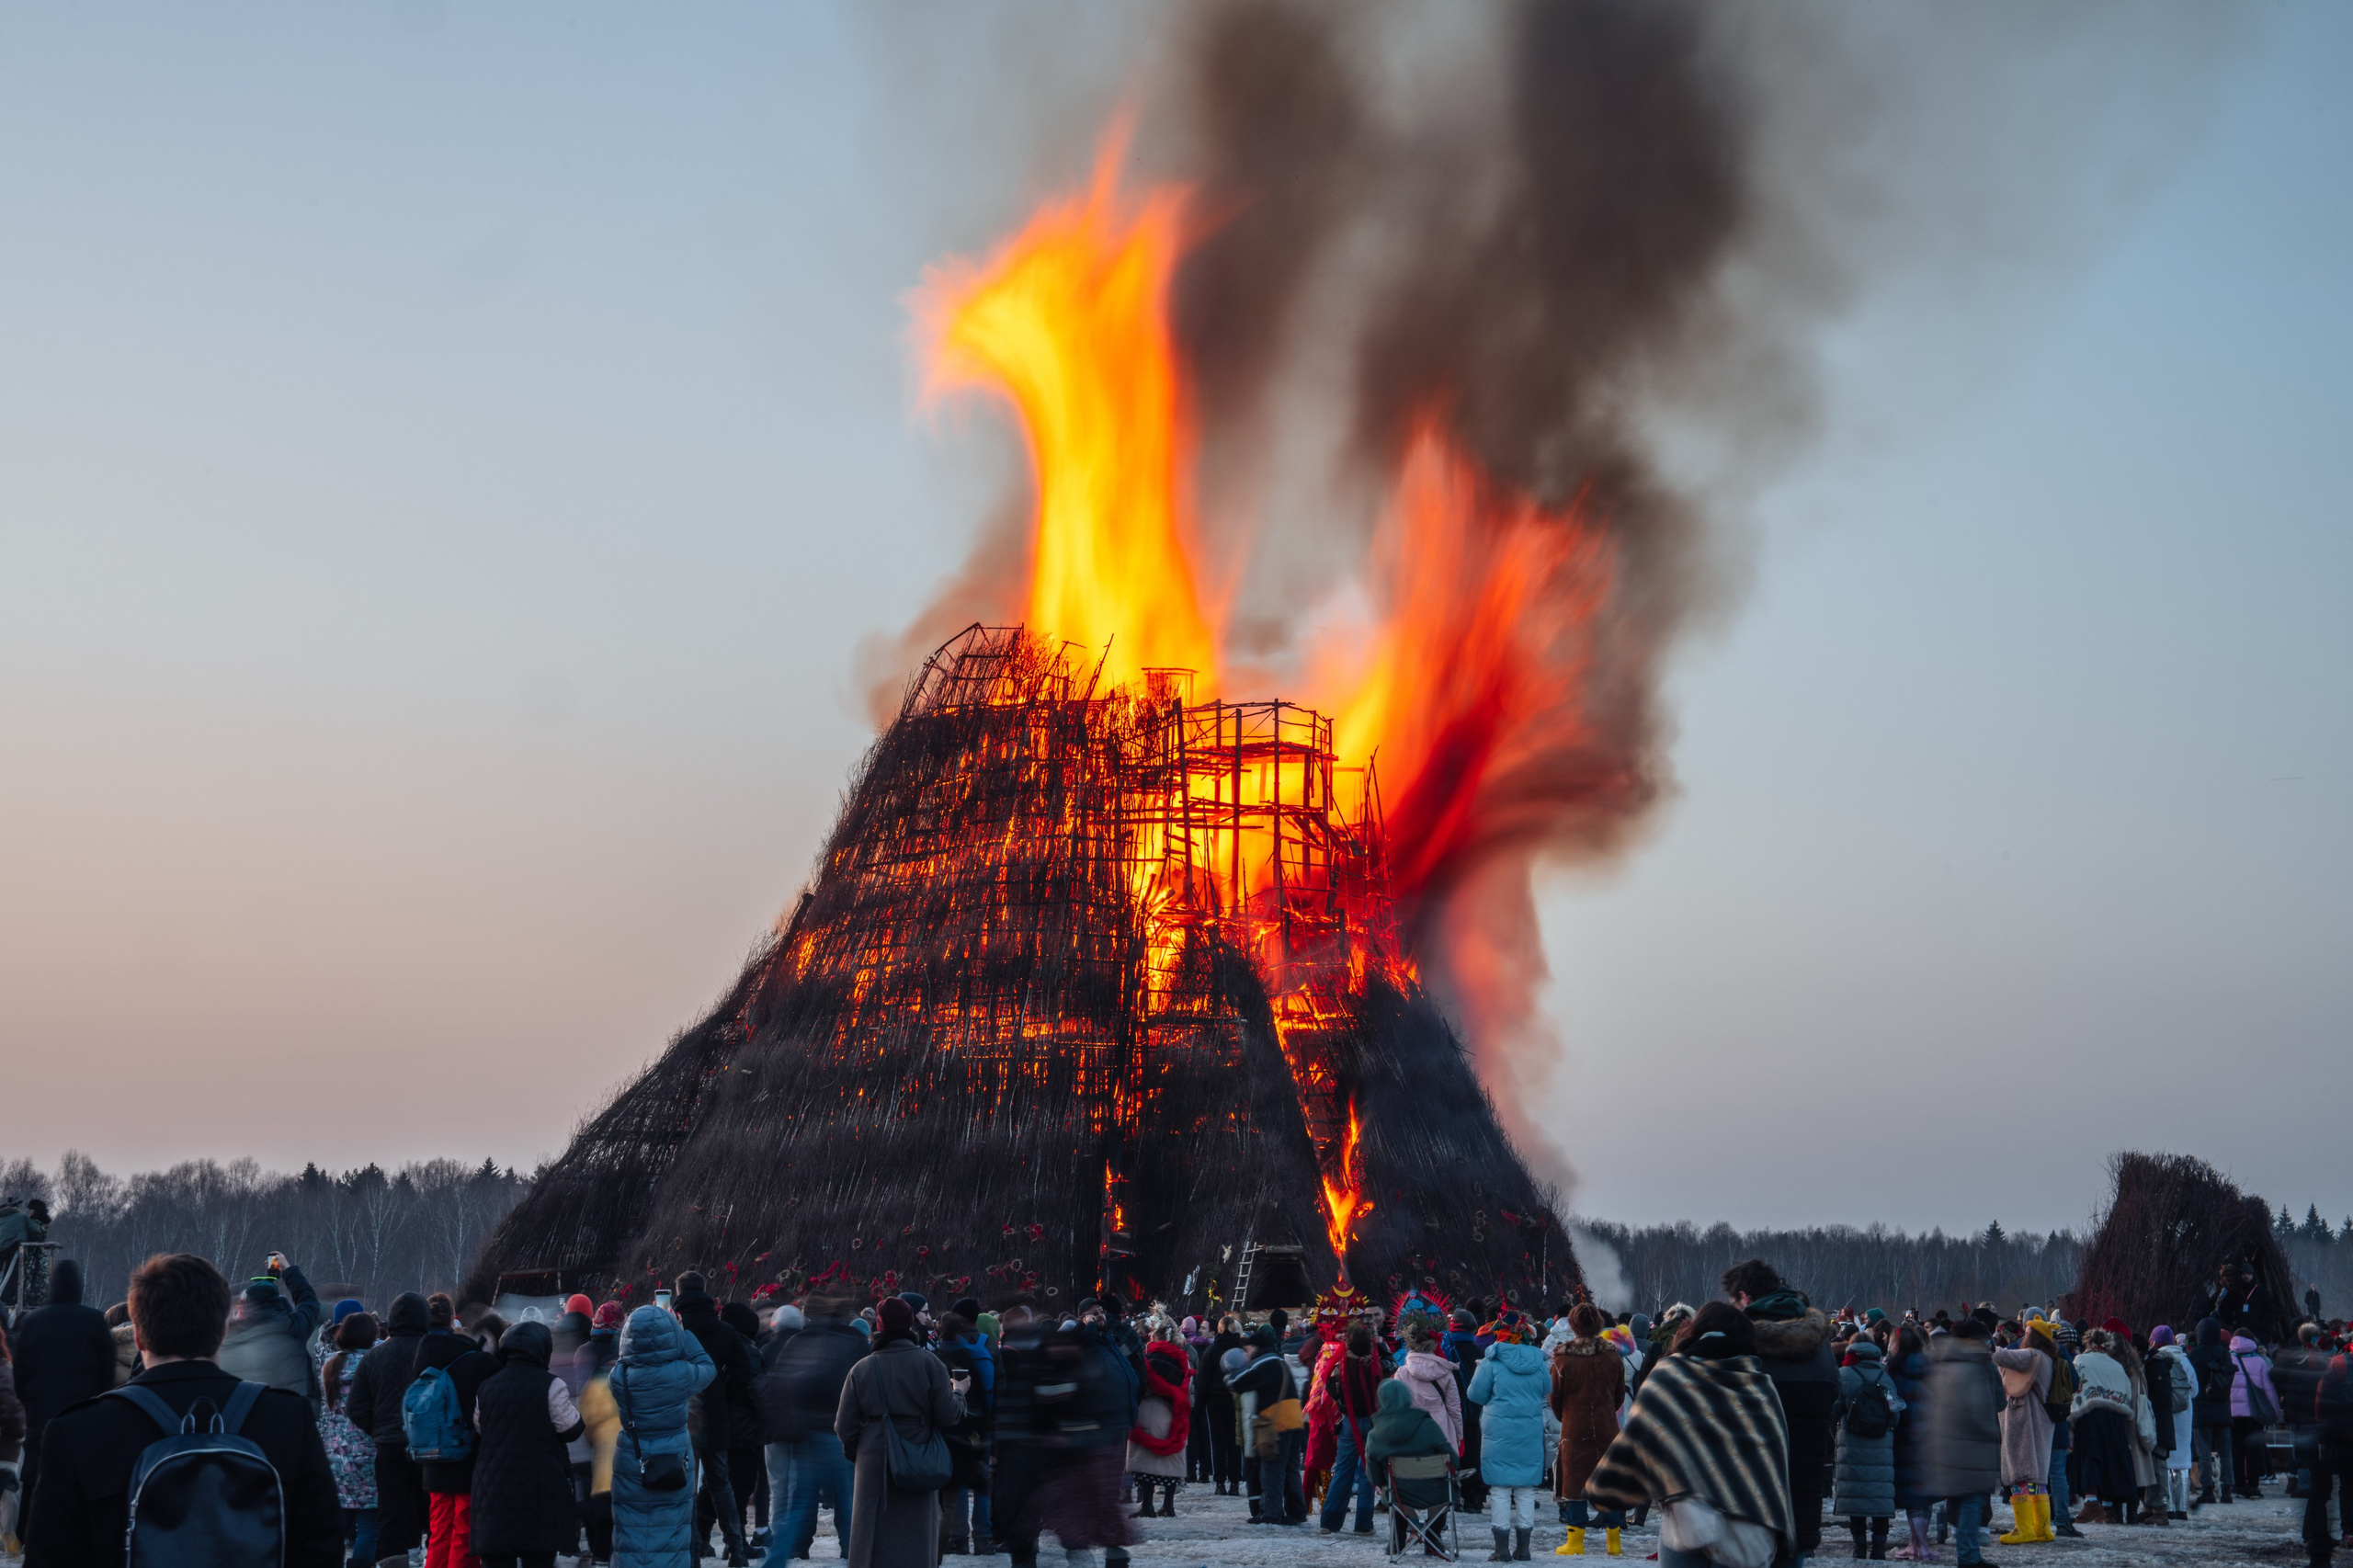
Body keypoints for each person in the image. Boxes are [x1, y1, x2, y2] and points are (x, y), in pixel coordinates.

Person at [24, 1251, 342, 1566]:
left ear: (138, 1335)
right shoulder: (288, 1419)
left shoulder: (77, 1432)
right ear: (221, 1332)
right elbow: (322, 1548)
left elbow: (48, 1557)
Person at [1586, 1302, 1792, 1568]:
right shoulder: (1761, 1385)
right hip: (1747, 1524)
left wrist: (1609, 1487)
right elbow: (1776, 1458)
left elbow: (1640, 1435)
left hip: (1687, 1522)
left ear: (1695, 1330)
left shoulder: (1671, 1374)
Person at [1723, 1259, 1838, 1567]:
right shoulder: (1821, 1344)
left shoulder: (1740, 1343)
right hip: (1805, 1488)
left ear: (1745, 1298)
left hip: (1751, 1496)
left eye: (1733, 1301)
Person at [833, 1295, 962, 1568]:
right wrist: (960, 1393)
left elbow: (844, 1425)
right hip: (920, 1453)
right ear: (910, 1325)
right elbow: (949, 1416)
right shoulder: (930, 1364)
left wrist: (860, 1450)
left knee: (872, 1532)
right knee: (916, 1535)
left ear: (879, 1326)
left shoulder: (862, 1368)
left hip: (873, 1457)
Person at [9, 1258, 115, 1545]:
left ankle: (27, 1538)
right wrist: (95, 1400)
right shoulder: (94, 1320)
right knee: (80, 1477)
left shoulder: (32, 1321)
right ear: (79, 1288)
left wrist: (30, 1401)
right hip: (82, 1412)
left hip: (41, 1412)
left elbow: (20, 1371)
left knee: (34, 1476)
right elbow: (108, 1370)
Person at [755, 1291, 864, 1567]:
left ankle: (780, 1557)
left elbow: (780, 1387)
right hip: (841, 1434)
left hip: (806, 1433)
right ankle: (853, 1554)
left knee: (799, 1504)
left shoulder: (799, 1342)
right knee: (847, 1501)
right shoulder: (854, 1343)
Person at [469, 1320, 585, 1568]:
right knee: (538, 1558)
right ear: (543, 1350)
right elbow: (571, 1428)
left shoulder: (486, 1387)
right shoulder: (551, 1385)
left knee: (497, 1559)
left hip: (493, 1489)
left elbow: (480, 1426)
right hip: (539, 1488)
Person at [608, 1301, 715, 1567]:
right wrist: (684, 1334)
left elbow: (626, 1358)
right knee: (672, 1532)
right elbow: (708, 1367)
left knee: (630, 1530)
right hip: (674, 1460)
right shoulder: (681, 1374)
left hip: (633, 1460)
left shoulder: (619, 1377)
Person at [670, 1273, 753, 1568]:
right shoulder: (725, 1331)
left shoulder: (674, 1329)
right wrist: (723, 1398)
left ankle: (691, 1553)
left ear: (678, 1293)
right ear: (705, 1292)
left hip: (681, 1416)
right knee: (721, 1484)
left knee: (686, 1490)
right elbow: (743, 1373)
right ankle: (736, 1548)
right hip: (716, 1414)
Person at [344, 1290, 432, 1565]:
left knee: (391, 1515)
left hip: (389, 1447)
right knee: (432, 1510)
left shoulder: (374, 1357)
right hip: (430, 1447)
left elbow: (355, 1407)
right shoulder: (433, 1351)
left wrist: (380, 1430)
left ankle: (394, 1562)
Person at [1917, 1317, 2002, 1568]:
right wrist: (1990, 1433)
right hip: (1971, 1447)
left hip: (1947, 1444)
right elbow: (1988, 1406)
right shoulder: (1974, 1367)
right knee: (1973, 1500)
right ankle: (1968, 1556)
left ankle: (1969, 1554)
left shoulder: (1942, 1363)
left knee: (1962, 1499)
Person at [1467, 1315, 1551, 1562]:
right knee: (1525, 1489)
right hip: (1529, 1431)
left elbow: (1475, 1394)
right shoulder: (1539, 1363)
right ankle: (1524, 1548)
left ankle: (1501, 1548)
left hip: (1498, 1433)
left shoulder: (1490, 1362)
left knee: (1500, 1489)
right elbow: (1547, 1389)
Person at [1548, 1302, 1624, 1558]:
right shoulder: (1613, 1355)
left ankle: (1575, 1541)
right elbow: (1619, 1395)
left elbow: (1554, 1396)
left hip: (1574, 1425)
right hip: (1606, 1426)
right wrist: (1605, 1413)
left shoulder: (1562, 1356)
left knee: (1573, 1484)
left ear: (1573, 1325)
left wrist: (1566, 1417)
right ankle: (1614, 1541)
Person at [218, 1253, 325, 1411]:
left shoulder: (232, 1337)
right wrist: (287, 1269)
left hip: (248, 1416)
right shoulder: (295, 1328)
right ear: (277, 1299)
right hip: (292, 1413)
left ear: (247, 1305)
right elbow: (308, 1300)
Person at [1227, 1323, 1305, 1526]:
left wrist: (1232, 1372)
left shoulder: (1265, 1361)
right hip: (1294, 1418)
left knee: (1272, 1469)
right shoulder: (1278, 1360)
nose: (1245, 1354)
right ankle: (1297, 1512)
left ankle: (1271, 1513)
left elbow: (1236, 1380)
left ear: (1256, 1347)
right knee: (1291, 1469)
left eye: (1247, 1349)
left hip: (1277, 1421)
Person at [321, 1312, 381, 1568]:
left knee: (339, 1521)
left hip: (336, 1454)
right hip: (369, 1453)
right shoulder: (374, 1363)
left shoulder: (330, 1364)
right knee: (369, 1523)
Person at [935, 1304, 997, 1553]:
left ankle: (957, 1538)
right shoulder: (974, 1352)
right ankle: (982, 1538)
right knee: (981, 1481)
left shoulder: (938, 1357)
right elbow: (986, 1392)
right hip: (978, 1426)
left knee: (955, 1485)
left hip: (951, 1427)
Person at [1833, 1334, 1901, 1560]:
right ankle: (1879, 1548)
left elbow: (1833, 1411)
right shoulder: (1886, 1376)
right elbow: (1896, 1417)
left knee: (1856, 1497)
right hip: (1881, 1446)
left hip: (1852, 1446)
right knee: (1879, 1497)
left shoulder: (1842, 1375)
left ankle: (1859, 1547)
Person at [1989, 1316, 2056, 1544]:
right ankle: (2042, 1528)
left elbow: (2003, 1356)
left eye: (2027, 1332)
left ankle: (2024, 1528)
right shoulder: (2045, 1358)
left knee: (2020, 1474)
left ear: (2034, 1336)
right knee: (2037, 1479)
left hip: (2025, 1422)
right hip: (2039, 1421)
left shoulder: (2031, 1355)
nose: (2023, 1336)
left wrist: (1989, 1345)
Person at [2064, 1329, 2142, 1524]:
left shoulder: (2080, 1361)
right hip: (2115, 1417)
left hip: (2089, 1415)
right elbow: (2126, 1391)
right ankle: (2107, 1507)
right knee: (2111, 1457)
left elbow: (2073, 1386)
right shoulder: (2116, 1365)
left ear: (2088, 1342)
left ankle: (2091, 1503)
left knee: (2092, 1455)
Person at [1315, 1325, 1382, 1537]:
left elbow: (1330, 1388)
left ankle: (1329, 1522)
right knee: (1367, 1473)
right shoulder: (1376, 1367)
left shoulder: (1340, 1367)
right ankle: (1363, 1524)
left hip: (1348, 1423)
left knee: (1343, 1471)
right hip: (1373, 1423)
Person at [1128, 1329, 1191, 1523]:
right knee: (1171, 1463)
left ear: (1155, 1338)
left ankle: (1147, 1505)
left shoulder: (1149, 1360)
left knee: (1147, 1462)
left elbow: (1141, 1385)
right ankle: (1168, 1505)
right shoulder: (1182, 1362)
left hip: (1150, 1411)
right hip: (1175, 1415)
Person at [1883, 1324, 1935, 1562]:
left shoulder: (1895, 1368)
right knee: (1923, 1492)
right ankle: (1917, 1543)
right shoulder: (1928, 1365)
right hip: (1929, 1436)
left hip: (1904, 1436)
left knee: (1912, 1493)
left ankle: (1919, 1546)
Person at [2306, 1336, 2353, 1568]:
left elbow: (2321, 1397)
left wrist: (2323, 1426)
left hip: (2341, 1435)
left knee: (2344, 1485)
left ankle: (2348, 1531)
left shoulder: (2338, 1363)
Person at [2188, 1316, 2237, 1505]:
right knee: (2226, 1453)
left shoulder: (2194, 1355)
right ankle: (2227, 1491)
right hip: (2223, 1410)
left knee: (2204, 1453)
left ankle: (2207, 1489)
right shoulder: (2225, 1354)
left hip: (2201, 1412)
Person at [2149, 1325, 2195, 1520]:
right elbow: (2195, 1390)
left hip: (2163, 1413)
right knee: (2183, 1463)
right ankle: (2182, 1509)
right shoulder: (2184, 1360)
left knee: (2164, 1460)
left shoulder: (2155, 1360)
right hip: (2184, 1413)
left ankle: (2166, 1507)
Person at [1398, 1321, 1465, 1454]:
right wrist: (1459, 1435)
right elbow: (1454, 1408)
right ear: (1434, 1344)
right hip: (1442, 1430)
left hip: (1414, 1429)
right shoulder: (1446, 1373)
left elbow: (1399, 1407)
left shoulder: (1401, 1373)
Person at [1199, 1315, 1243, 1496]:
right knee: (1235, 1441)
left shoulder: (1211, 1351)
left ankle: (1219, 1483)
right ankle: (1234, 1482)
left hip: (1215, 1400)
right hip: (1236, 1399)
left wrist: (1199, 1405)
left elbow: (1203, 1380)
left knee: (1217, 1442)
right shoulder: (1240, 1350)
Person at [0, 1319, 27, 1550]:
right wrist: (19, 1432)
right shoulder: (3, 1367)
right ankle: (8, 1538)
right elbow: (11, 1404)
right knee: (11, 1488)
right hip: (6, 1447)